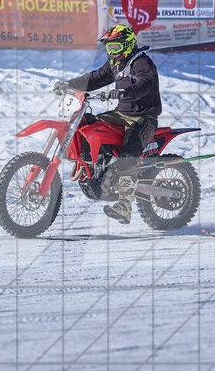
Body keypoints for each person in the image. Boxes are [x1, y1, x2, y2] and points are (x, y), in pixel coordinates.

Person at [53, 25, 161, 225]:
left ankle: (124, 206)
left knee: (128, 154)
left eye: (115, 48)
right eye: (109, 48)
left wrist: (123, 92)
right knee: (90, 126)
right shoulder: (115, 64)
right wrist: (69, 84)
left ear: (127, 46)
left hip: (144, 118)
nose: (111, 53)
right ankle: (99, 169)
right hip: (122, 114)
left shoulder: (141, 62)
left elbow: (144, 83)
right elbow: (95, 78)